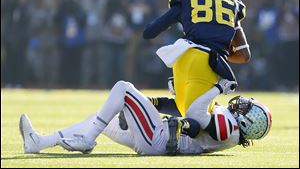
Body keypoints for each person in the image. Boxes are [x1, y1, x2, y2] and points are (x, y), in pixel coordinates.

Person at [19, 79, 272, 155]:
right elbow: (182, 112)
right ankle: (38, 142)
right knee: (99, 119)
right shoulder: (227, 127)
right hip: (159, 136)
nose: (241, 105)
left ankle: (86, 141)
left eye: (247, 109)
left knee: (122, 87)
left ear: (249, 122)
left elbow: (194, 116)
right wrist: (178, 94)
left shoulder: (228, 128)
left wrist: (217, 88)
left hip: (158, 138)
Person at [143, 0, 251, 116]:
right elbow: (244, 55)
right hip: (209, 61)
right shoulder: (232, 4)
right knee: (198, 117)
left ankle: (140, 104)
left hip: (183, 55)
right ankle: (173, 130)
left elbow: (150, 32)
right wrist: (224, 52)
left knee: (182, 106)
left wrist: (177, 19)